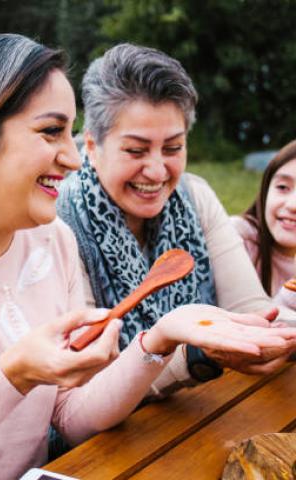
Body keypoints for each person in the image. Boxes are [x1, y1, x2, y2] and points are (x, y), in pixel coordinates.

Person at [0, 35, 295, 480]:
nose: (72, 157)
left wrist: (158, 340)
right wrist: (10, 375)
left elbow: (69, 415)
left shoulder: (51, 241)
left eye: (70, 133)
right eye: (51, 132)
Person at [57, 43, 296, 398]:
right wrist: (194, 357)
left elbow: (251, 310)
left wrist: (272, 336)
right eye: (136, 150)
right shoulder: (60, 220)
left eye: (172, 148)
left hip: (198, 414)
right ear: (92, 146)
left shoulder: (195, 196)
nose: (156, 171)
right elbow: (87, 380)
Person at [232, 140, 296, 308]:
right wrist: (291, 296)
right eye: (282, 187)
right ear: (266, 190)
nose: (292, 205)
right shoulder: (236, 238)